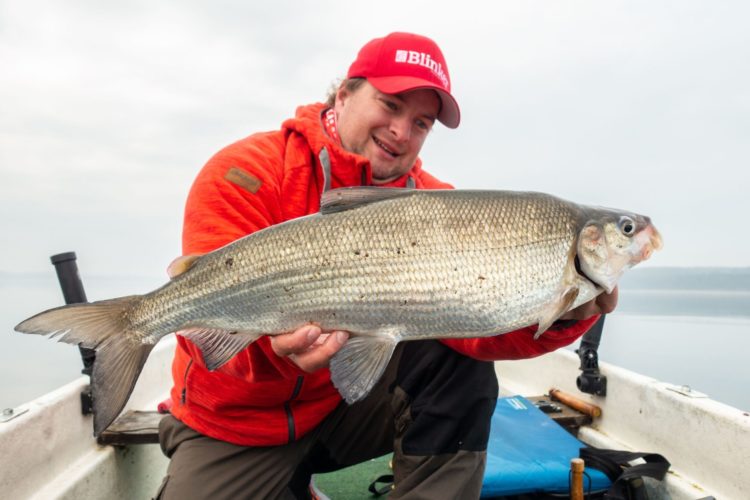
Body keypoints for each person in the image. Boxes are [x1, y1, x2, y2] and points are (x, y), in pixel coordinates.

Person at [155, 32, 617, 499]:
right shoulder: (248, 172)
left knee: (461, 363)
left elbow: (481, 327)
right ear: (344, 94)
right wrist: (278, 353)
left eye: (421, 122)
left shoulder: (441, 207)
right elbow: (206, 342)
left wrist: (564, 316)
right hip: (237, 424)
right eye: (391, 104)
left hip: (344, 409)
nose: (402, 131)